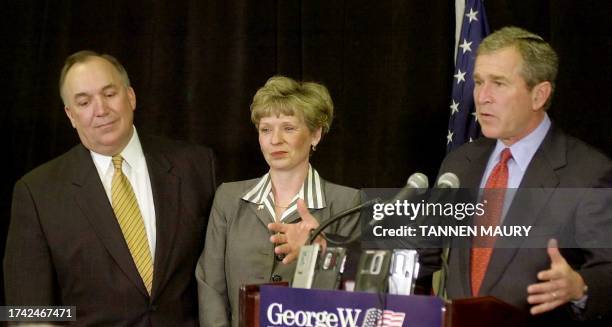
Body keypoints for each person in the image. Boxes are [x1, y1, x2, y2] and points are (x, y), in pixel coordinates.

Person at [4, 51, 216, 325]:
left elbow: (223, 275)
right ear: (70, 115)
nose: (101, 109)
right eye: (84, 101)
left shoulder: (195, 166)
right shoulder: (37, 191)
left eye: (109, 94)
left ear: (131, 97)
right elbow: (26, 311)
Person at [434, 26, 612, 324]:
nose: (482, 97)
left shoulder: (588, 172)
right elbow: (422, 252)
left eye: (499, 83)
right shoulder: (460, 164)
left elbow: (608, 268)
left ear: (539, 95)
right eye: (478, 82)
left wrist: (580, 287)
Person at [195, 76, 361, 327]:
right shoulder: (228, 197)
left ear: (315, 134)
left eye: (289, 128)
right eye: (266, 129)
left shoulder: (348, 202)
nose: (275, 140)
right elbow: (211, 286)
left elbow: (354, 291)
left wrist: (320, 248)